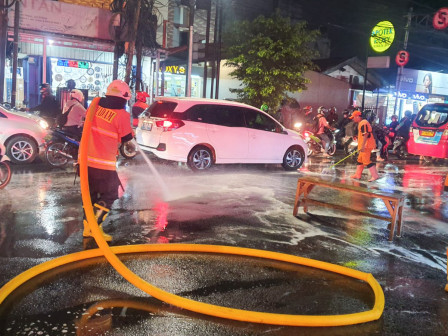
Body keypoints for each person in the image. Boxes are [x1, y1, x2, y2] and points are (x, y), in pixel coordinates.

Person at [82, 80, 133, 241]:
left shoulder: (94, 106)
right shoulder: (122, 115)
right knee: (110, 194)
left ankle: (87, 228)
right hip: (103, 163)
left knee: (89, 196)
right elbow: (126, 138)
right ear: (124, 98)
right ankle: (95, 226)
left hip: (84, 161)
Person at [349, 110, 379, 182]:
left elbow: (366, 134)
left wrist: (362, 146)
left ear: (358, 116)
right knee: (360, 160)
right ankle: (358, 174)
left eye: (354, 117)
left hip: (366, 146)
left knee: (366, 161)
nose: (353, 119)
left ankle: (375, 176)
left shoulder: (363, 123)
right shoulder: (361, 123)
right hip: (364, 145)